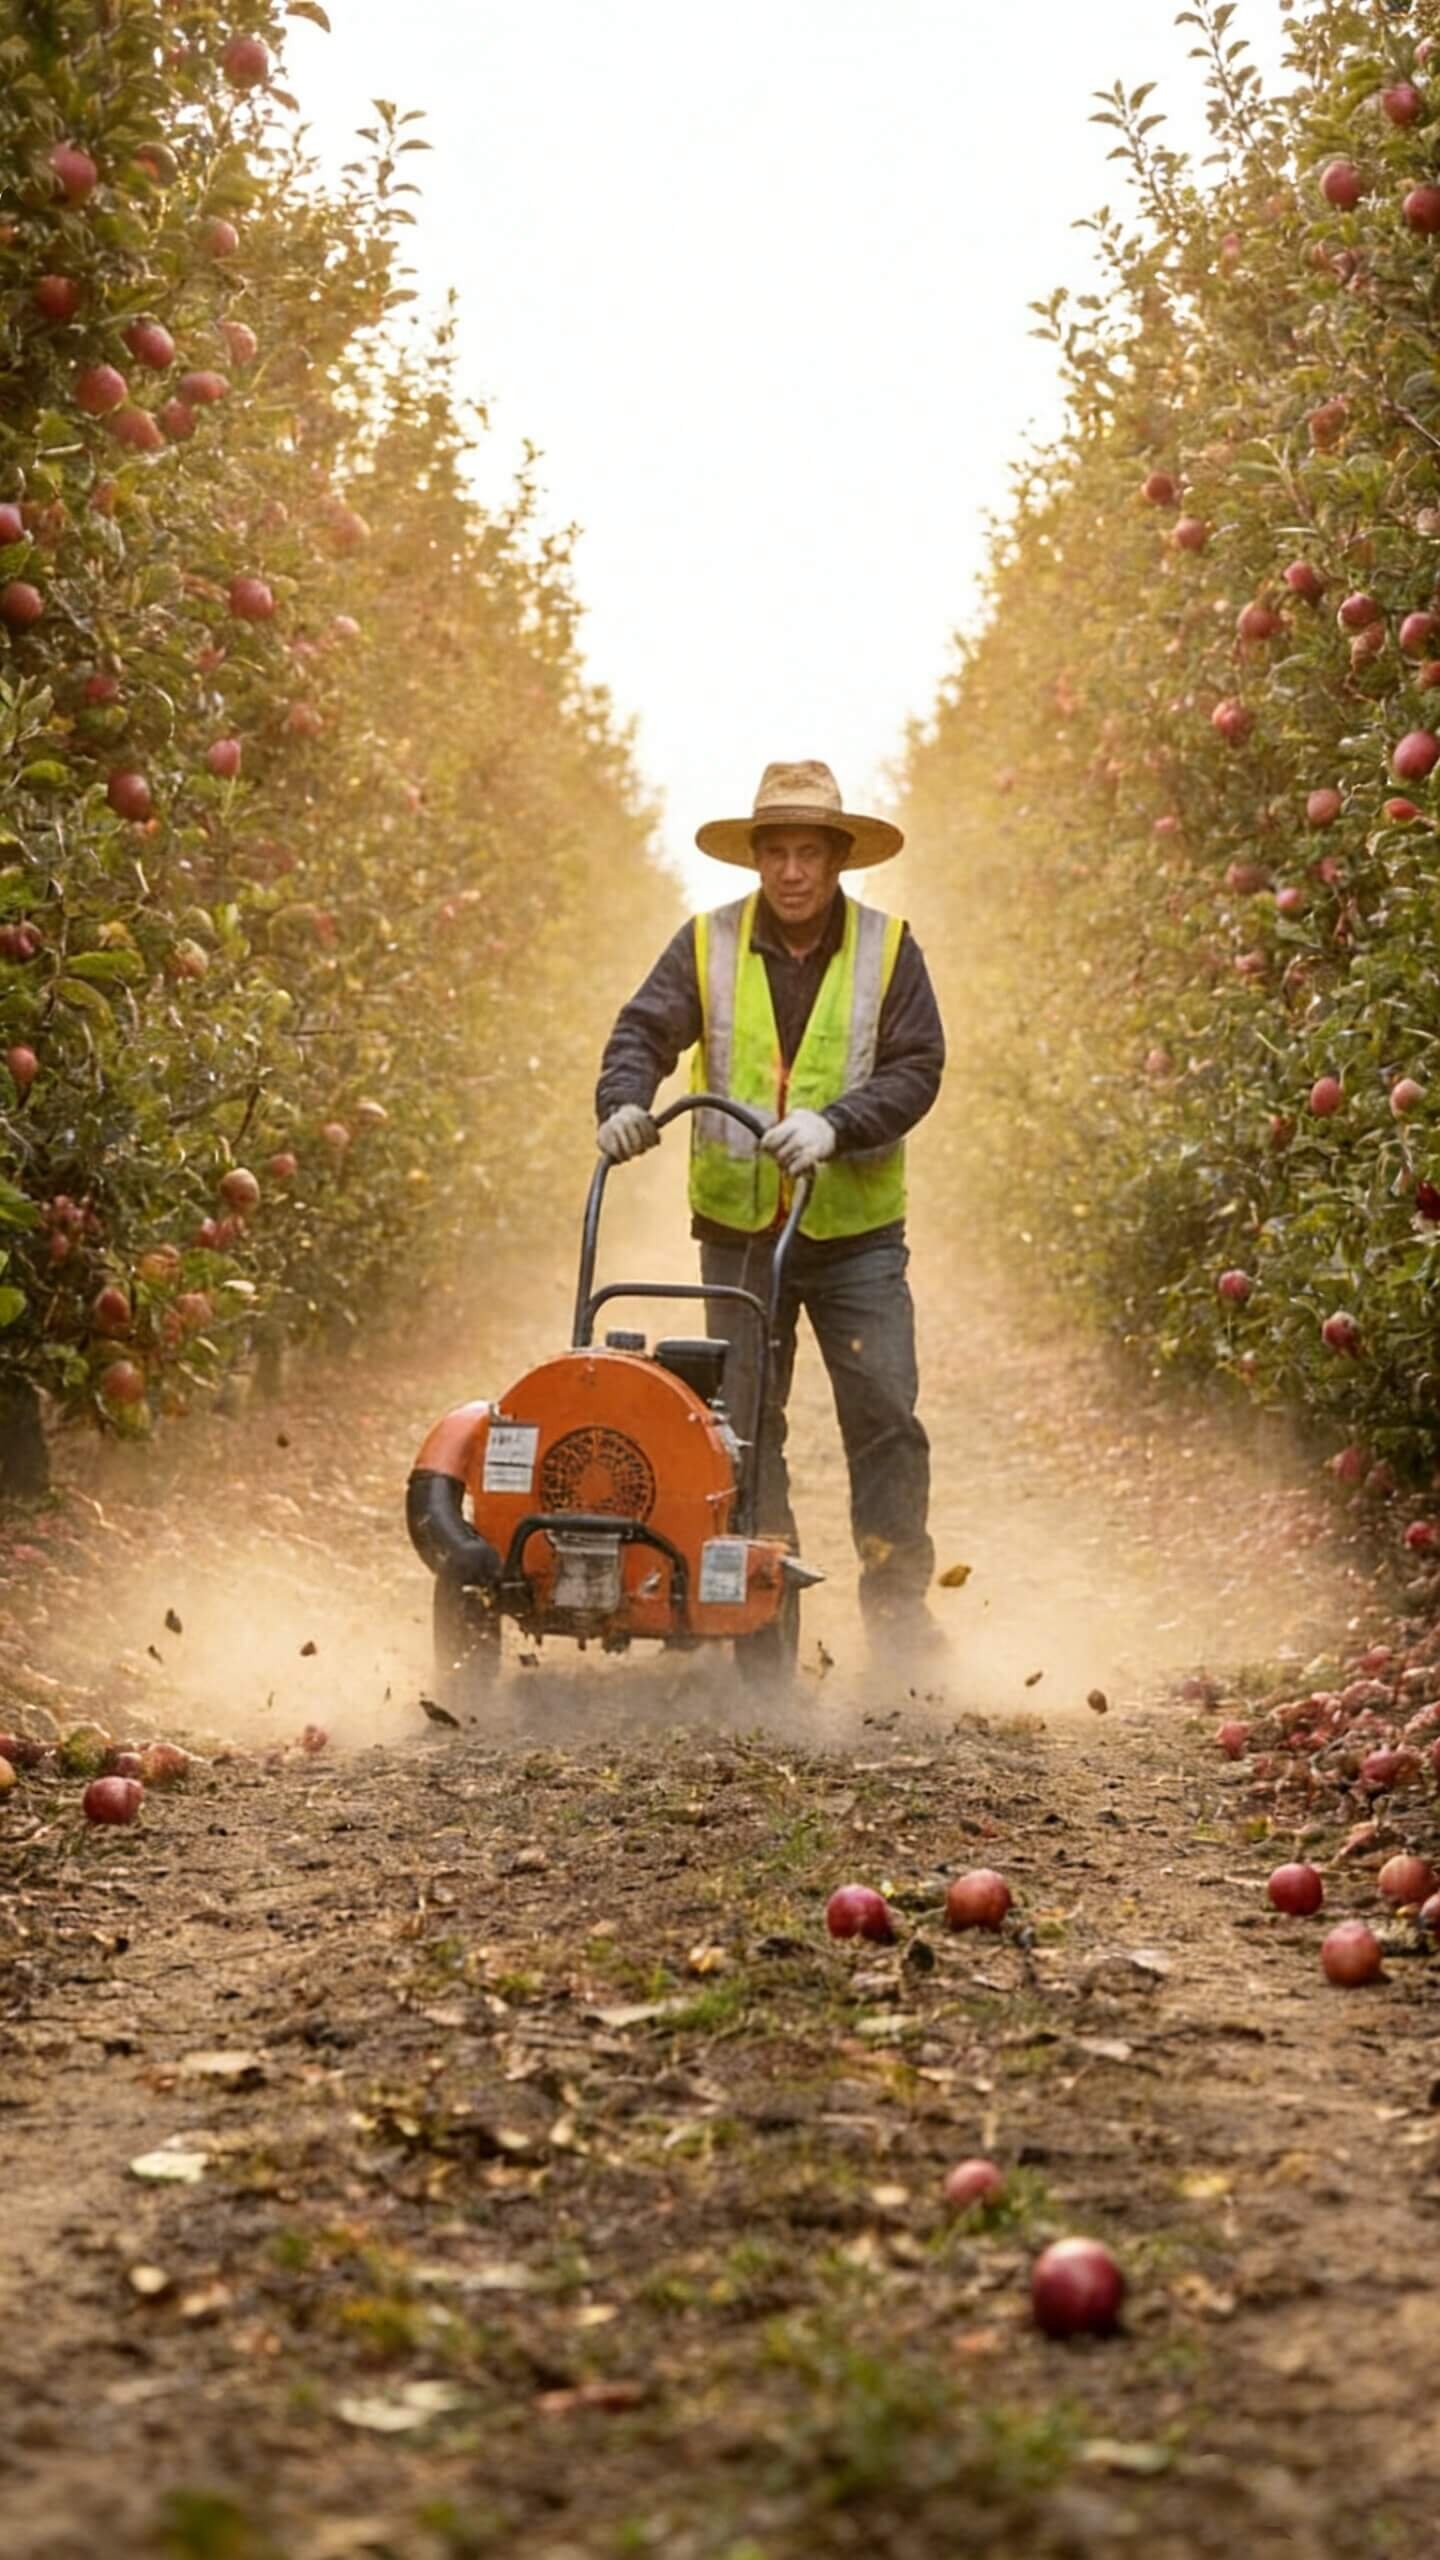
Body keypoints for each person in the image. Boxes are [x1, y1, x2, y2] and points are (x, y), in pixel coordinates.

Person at [594, 758, 946, 1650]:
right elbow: (643, 1031)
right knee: (743, 1428)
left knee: (885, 1415)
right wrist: (625, 1103)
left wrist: (837, 1124)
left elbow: (918, 1067)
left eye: (810, 854)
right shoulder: (705, 943)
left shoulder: (888, 948)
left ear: (838, 861)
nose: (793, 872)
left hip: (855, 1233)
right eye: (777, 853)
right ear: (756, 860)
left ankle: (900, 1611)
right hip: (741, 1230)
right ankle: (762, 1612)